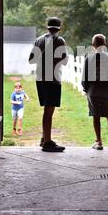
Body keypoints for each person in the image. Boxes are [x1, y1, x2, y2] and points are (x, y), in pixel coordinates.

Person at [29, 17, 68, 152]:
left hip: (40, 78)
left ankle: (44, 137)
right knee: (49, 110)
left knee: (47, 108)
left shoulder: (39, 40)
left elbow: (31, 60)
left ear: (47, 27)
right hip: (53, 79)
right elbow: (64, 60)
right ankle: (47, 142)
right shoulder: (59, 40)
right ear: (59, 28)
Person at [82, 34, 108, 150]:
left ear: (92, 45)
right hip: (106, 90)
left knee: (96, 116)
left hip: (93, 90)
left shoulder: (88, 58)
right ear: (105, 44)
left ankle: (99, 142)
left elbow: (84, 77)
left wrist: (85, 89)